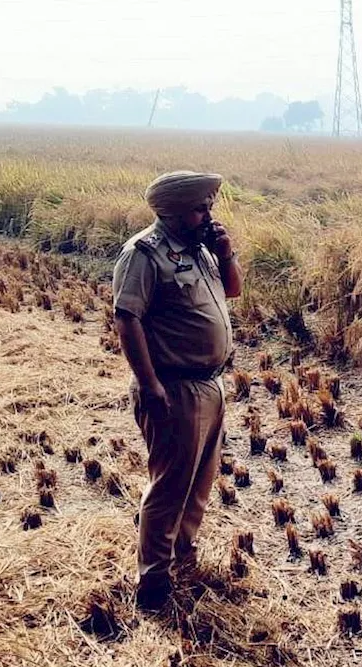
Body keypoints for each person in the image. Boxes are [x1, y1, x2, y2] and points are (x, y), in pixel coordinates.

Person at [112, 171, 243, 611]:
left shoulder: (201, 249)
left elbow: (233, 291)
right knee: (170, 487)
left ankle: (181, 557)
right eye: (200, 208)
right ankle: (153, 582)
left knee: (199, 483)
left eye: (210, 206)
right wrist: (149, 385)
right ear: (170, 211)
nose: (209, 215)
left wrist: (226, 254)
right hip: (174, 388)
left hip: (210, 385)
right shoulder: (144, 255)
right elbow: (127, 319)